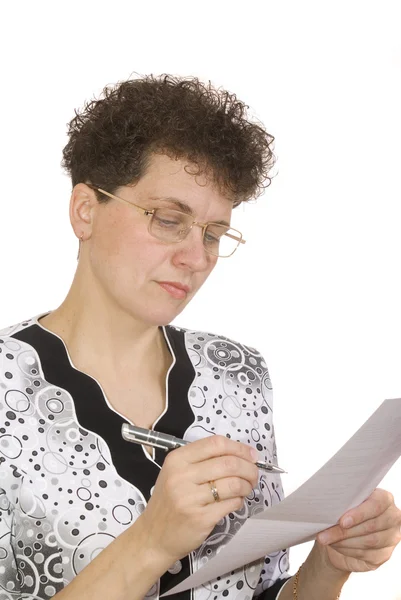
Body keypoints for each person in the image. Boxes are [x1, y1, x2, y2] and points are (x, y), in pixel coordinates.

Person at [0, 74, 400, 600]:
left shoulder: (238, 373)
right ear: (86, 210)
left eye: (213, 234)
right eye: (169, 219)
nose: (197, 258)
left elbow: (266, 587)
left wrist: (329, 563)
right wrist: (151, 541)